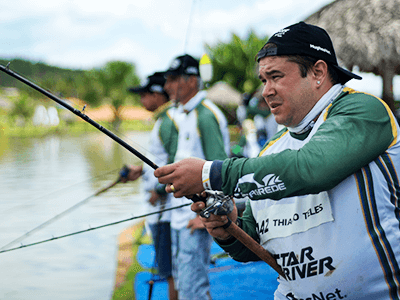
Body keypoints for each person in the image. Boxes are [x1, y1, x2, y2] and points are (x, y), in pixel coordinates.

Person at [154, 22, 400, 300]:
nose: (266, 90)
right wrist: (227, 227)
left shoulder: (363, 110)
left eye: (276, 76)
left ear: (318, 72)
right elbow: (253, 244)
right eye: (263, 80)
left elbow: (311, 169)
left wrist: (210, 173)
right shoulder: (270, 150)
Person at [162, 54, 230, 300]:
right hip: (179, 218)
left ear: (191, 81)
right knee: (183, 283)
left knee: (194, 288)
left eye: (172, 80)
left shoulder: (205, 116)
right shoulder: (187, 114)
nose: (167, 86)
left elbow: (223, 169)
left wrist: (206, 218)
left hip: (196, 220)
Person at [123, 71, 178, 300]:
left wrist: (157, 190)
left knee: (171, 270)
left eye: (145, 95)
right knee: (168, 268)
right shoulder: (161, 121)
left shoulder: (168, 122)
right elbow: (161, 160)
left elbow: (177, 163)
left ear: (157, 95)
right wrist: (140, 171)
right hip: (159, 207)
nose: (141, 100)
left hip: (166, 209)